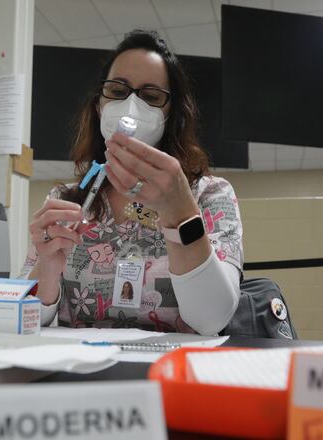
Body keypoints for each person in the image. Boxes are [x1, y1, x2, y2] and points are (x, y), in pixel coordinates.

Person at [20, 29, 243, 335]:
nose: (130, 108)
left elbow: (212, 319)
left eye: (151, 97)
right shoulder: (68, 200)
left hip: (170, 373)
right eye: (117, 91)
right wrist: (46, 268)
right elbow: (21, 318)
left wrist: (180, 213)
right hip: (83, 372)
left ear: (171, 115)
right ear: (99, 105)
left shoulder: (210, 195)